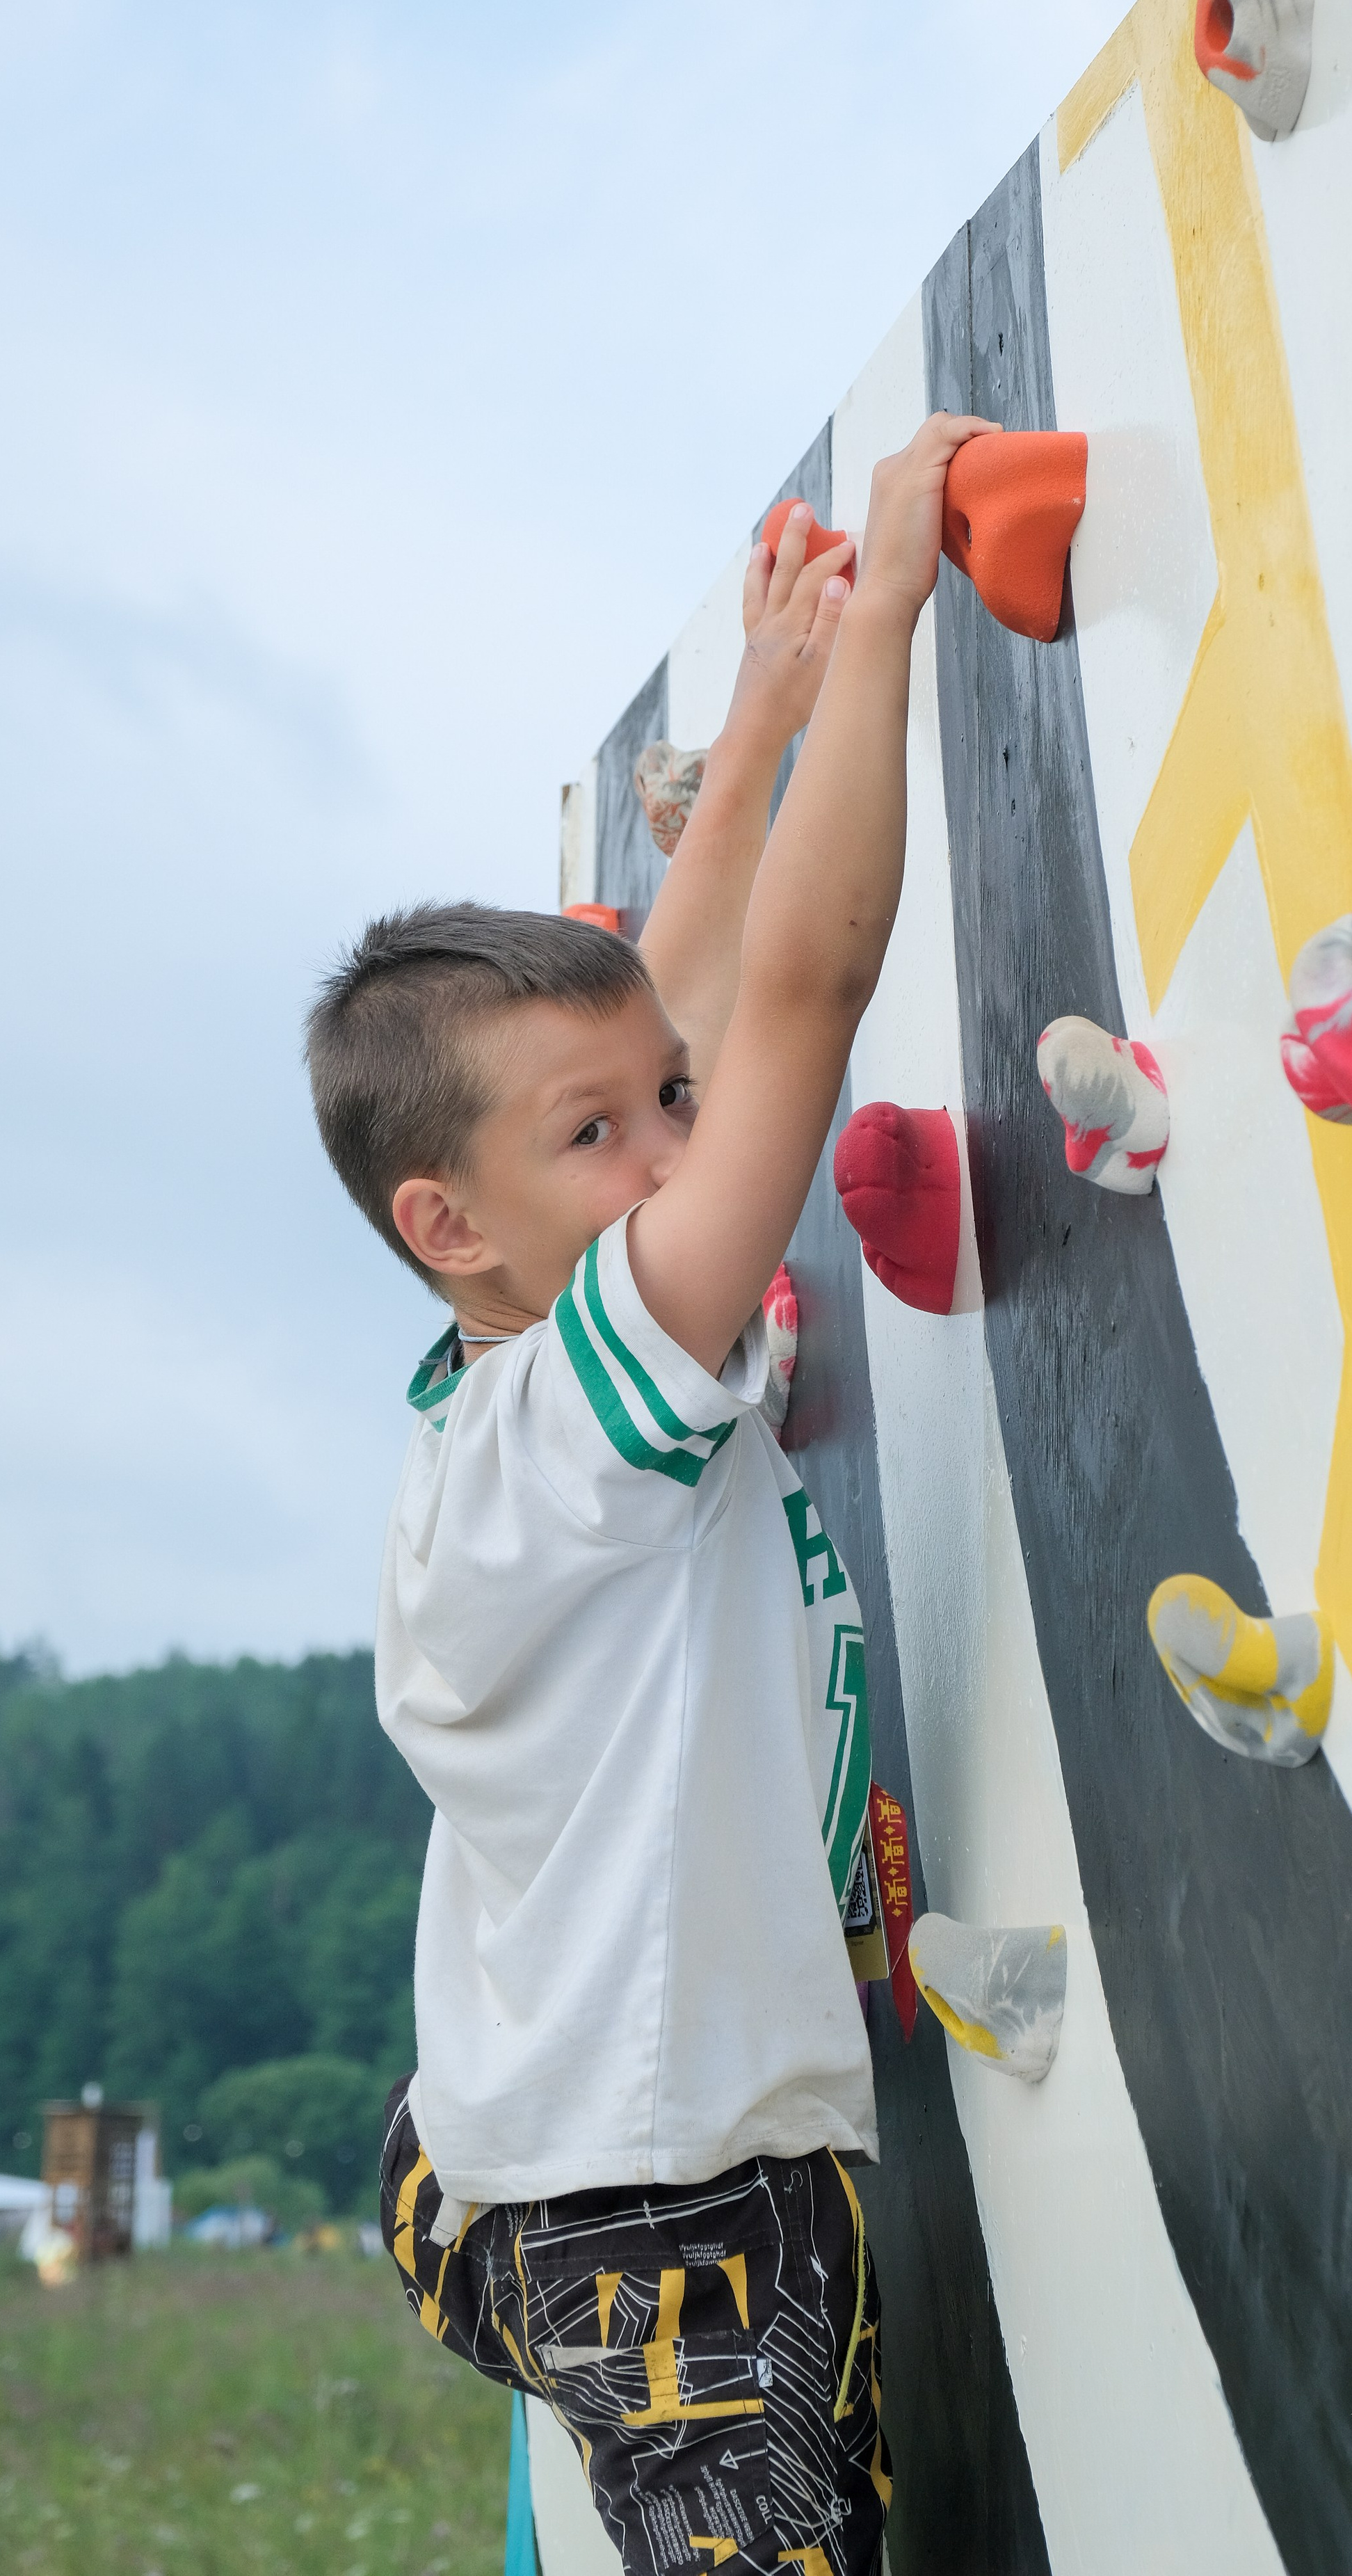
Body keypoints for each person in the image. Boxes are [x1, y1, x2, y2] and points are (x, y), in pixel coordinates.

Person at [304, 412, 999, 2575]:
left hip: (513, 2171)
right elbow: (795, 992)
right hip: (671, 2224)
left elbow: (675, 1010)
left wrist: (769, 700)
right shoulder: (591, 1420)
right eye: (605, 1141)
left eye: (667, 1115)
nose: (677, 1156)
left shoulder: (501, 1399)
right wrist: (886, 615)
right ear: (452, 1223)